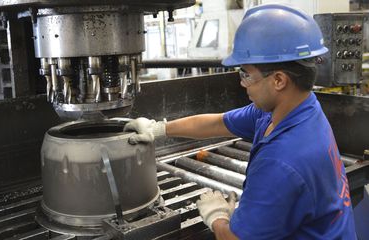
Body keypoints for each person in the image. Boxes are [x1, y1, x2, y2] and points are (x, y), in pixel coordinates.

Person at [124, 4, 357, 240]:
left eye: (246, 74)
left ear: (279, 80)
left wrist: (217, 218)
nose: (242, 83)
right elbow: (218, 123)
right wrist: (159, 129)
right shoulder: (296, 108)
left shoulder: (282, 162)